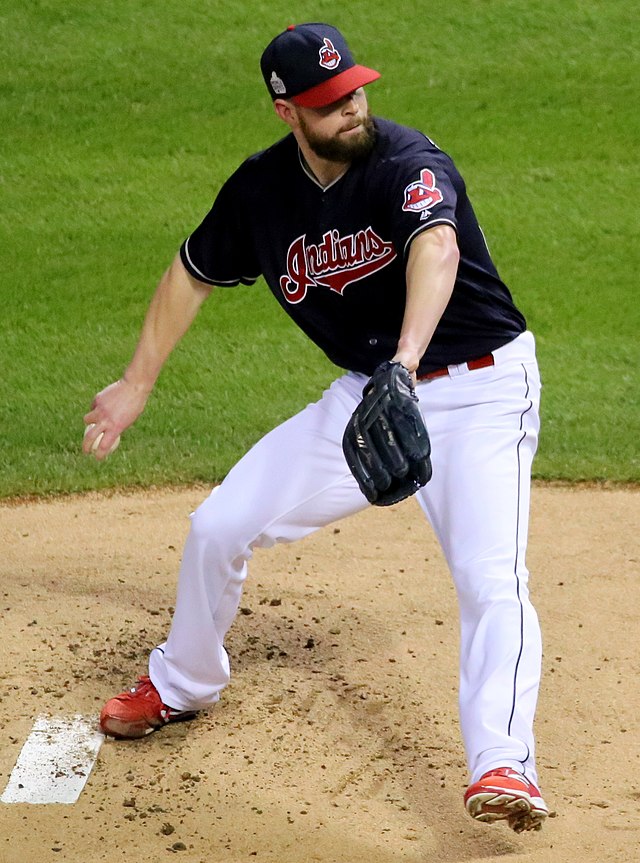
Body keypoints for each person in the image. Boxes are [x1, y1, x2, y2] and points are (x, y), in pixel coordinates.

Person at [83, 23, 548, 833]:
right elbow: (191, 274)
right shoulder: (261, 193)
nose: (353, 107)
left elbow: (435, 250)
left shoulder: (408, 163)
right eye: (331, 102)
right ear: (286, 111)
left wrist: (405, 359)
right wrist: (134, 383)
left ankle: (503, 761)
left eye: (356, 89)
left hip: (480, 392)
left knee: (490, 578)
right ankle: (184, 681)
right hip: (368, 395)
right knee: (219, 522)